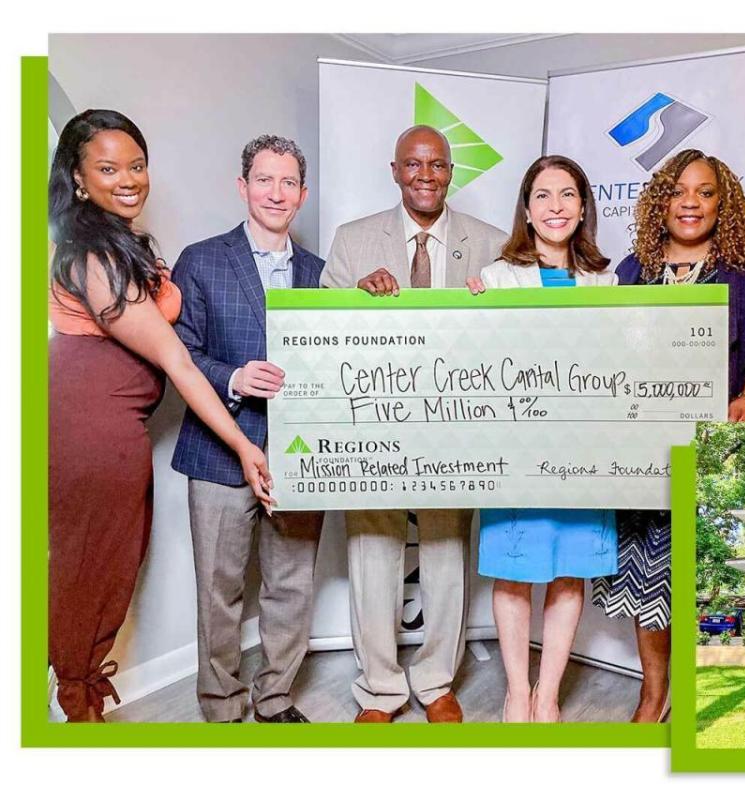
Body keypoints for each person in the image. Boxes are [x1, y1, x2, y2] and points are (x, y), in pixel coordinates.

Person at [48, 109, 273, 723]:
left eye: (137, 165)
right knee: (91, 569)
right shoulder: (92, 255)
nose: (129, 179)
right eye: (108, 167)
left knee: (105, 564)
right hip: (90, 429)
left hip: (114, 427)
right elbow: (177, 360)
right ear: (76, 177)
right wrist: (244, 446)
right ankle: (77, 709)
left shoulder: (120, 242)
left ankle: (78, 697)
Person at [320, 124, 507, 723]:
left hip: (457, 429)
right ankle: (379, 687)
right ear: (394, 170)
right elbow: (323, 336)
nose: (426, 176)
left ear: (452, 172)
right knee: (372, 550)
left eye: (438, 165)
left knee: (448, 550)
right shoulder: (352, 241)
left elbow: (514, 338)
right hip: (373, 428)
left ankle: (435, 682)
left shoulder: (493, 243)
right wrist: (355, 296)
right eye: (413, 165)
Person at [598, 149, 745, 721]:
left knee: (706, 575)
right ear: (662, 199)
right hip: (641, 456)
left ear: (722, 202)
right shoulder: (633, 269)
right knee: (647, 580)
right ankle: (653, 694)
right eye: (680, 191)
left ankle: (705, 695)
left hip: (717, 453)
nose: (691, 202)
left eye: (705, 192)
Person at [170, 135, 326, 723]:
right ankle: (221, 705)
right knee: (219, 589)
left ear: (302, 195)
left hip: (300, 454)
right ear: (243, 187)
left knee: (290, 585)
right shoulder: (201, 259)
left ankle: (276, 697)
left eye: (288, 183)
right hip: (217, 451)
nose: (276, 193)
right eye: (264, 179)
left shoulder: (320, 274)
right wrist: (234, 376)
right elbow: (179, 354)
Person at [466, 155, 617, 722]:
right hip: (516, 448)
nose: (556, 207)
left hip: (583, 448)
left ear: (583, 209)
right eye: (544, 196)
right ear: (527, 210)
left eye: (568, 195)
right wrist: (469, 311)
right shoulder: (496, 278)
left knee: (568, 567)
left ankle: (547, 694)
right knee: (515, 566)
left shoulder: (608, 281)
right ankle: (516, 693)